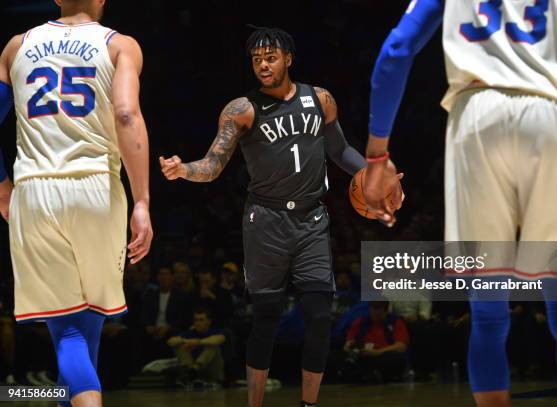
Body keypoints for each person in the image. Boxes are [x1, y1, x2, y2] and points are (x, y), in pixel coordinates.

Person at [364, 1, 557, 406]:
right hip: (555, 115)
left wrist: (377, 156)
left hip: (476, 120)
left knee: (488, 312)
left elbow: (397, 49)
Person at [160, 27, 368, 407]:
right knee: (266, 318)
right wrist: (183, 169)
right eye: (256, 60)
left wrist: (373, 172)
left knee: (320, 316)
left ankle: (308, 404)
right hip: (265, 221)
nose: (263, 65)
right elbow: (213, 163)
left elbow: (340, 150)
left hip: (311, 219)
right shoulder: (242, 109)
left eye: (270, 57)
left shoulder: (320, 98)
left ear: (288, 58)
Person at [0, 0, 153, 405]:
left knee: (68, 330)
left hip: (35, 190)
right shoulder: (120, 45)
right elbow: (126, 115)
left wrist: (2, 185)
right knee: (87, 322)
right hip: (97, 187)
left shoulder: (17, 46)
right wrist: (142, 200)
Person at [343, 301, 409, 383]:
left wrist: (377, 352)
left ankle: (370, 373)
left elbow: (401, 346)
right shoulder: (361, 321)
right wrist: (350, 347)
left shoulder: (395, 321)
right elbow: (349, 341)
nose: (375, 316)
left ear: (386, 311)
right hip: (362, 355)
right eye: (373, 312)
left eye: (379, 314)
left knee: (397, 359)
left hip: (382, 354)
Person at [167, 306, 226, 387]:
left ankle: (194, 370)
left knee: (212, 346)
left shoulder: (216, 331)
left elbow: (218, 340)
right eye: (196, 320)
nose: (198, 323)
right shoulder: (189, 333)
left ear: (209, 321)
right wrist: (186, 341)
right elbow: (171, 341)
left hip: (213, 372)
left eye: (201, 320)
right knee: (178, 345)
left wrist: (197, 342)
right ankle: (189, 372)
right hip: (194, 370)